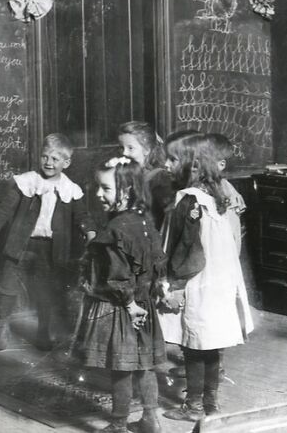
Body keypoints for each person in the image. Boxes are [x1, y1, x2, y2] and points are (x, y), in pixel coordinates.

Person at [158, 133, 254, 421]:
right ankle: (211, 405)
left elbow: (184, 250)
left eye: (173, 160)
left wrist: (172, 287)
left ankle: (194, 405)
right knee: (212, 346)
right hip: (222, 281)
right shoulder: (220, 195)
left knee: (193, 346)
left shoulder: (187, 200)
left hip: (197, 280)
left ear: (194, 166)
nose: (167, 164)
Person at [72, 156, 167, 433]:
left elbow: (117, 275)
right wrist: (160, 286)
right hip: (144, 305)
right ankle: (151, 419)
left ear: (127, 191)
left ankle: (118, 424)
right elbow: (158, 259)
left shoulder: (115, 229)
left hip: (123, 308)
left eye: (106, 189)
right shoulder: (144, 220)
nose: (99, 195)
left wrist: (128, 303)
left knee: (121, 368)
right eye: (98, 188)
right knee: (145, 365)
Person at [0, 133, 96, 352]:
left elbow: (82, 216)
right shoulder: (28, 181)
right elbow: (6, 207)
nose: (48, 163)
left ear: (66, 162)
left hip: (50, 248)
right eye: (45, 157)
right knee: (8, 286)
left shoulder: (71, 189)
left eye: (55, 159)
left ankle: (43, 331)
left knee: (47, 290)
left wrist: (90, 234)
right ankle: (2, 328)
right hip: (21, 243)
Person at [118, 121, 174, 230]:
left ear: (146, 150)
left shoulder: (158, 178)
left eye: (130, 148)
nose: (124, 153)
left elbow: (167, 217)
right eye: (121, 147)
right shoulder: (126, 176)